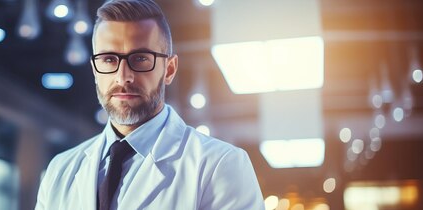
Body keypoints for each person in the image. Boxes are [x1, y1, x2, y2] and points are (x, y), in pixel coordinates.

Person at [34, 0, 264, 209]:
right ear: (95, 70)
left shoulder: (220, 165)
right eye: (108, 59)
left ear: (169, 69)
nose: (123, 77)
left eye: (141, 58)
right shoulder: (59, 169)